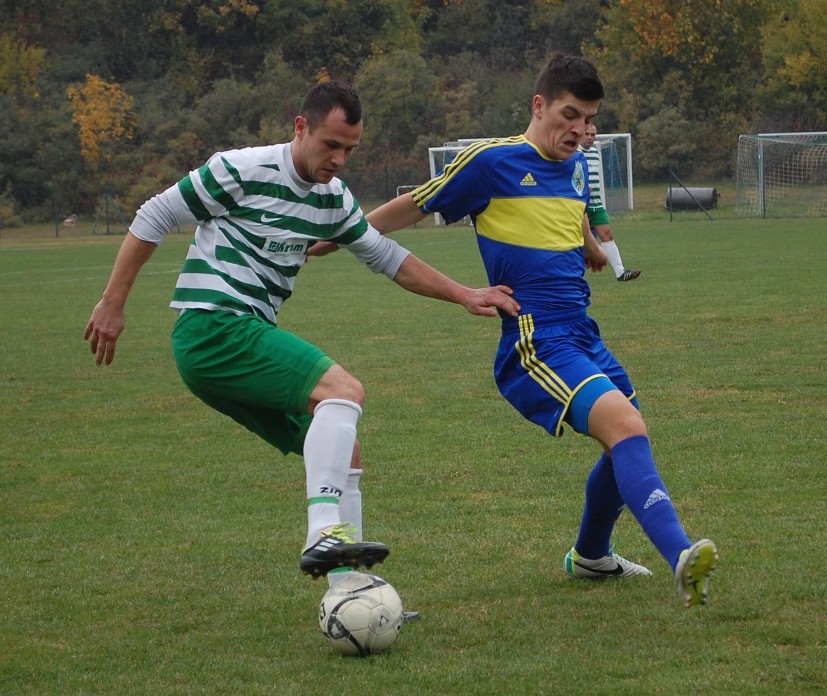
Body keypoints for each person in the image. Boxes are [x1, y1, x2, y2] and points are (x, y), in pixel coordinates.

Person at [83, 81, 520, 593]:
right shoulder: (241, 169)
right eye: (330, 145)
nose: (338, 159)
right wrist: (113, 302)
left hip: (235, 340)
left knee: (344, 447)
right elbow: (155, 214)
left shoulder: (332, 200)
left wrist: (465, 294)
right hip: (213, 326)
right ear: (300, 128)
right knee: (344, 391)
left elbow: (386, 257)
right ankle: (322, 533)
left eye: (349, 150)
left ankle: (349, 593)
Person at [362, 54, 718, 608]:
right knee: (624, 425)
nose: (578, 130)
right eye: (569, 115)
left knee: (627, 435)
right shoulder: (491, 162)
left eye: (588, 119)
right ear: (539, 105)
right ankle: (681, 557)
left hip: (582, 331)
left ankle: (592, 557)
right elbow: (415, 206)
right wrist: (338, 234)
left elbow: (569, 213)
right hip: (534, 338)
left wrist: (592, 247)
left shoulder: (576, 164)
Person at [580, 123, 640, 281]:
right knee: (578, 245)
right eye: (587, 134)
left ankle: (620, 272)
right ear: (579, 133)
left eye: (593, 135)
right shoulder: (572, 153)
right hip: (579, 206)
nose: (590, 138)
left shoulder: (595, 152)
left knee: (607, 233)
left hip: (596, 205)